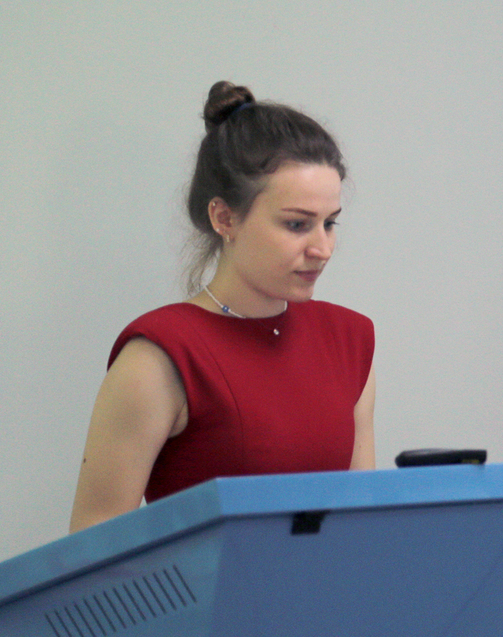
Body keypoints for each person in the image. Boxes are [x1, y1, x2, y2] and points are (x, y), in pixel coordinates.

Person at [69, 82, 375, 533]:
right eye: (297, 224)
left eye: (329, 224)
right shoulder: (160, 356)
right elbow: (94, 541)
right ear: (224, 218)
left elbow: (361, 522)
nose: (322, 248)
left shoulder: (349, 339)